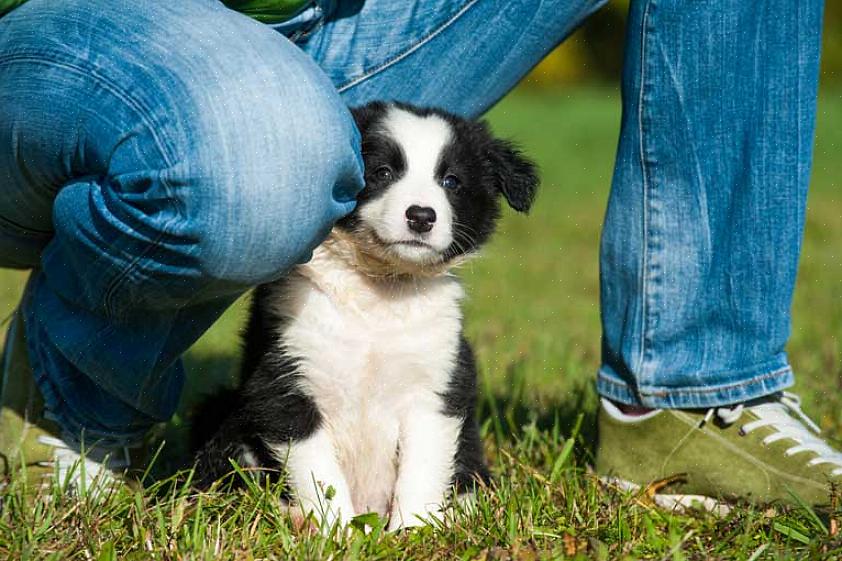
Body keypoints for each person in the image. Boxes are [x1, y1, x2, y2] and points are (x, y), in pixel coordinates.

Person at [0, 0, 838, 505]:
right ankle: (73, 387)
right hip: (121, 24)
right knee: (260, 160)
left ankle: (696, 386)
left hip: (340, 14)